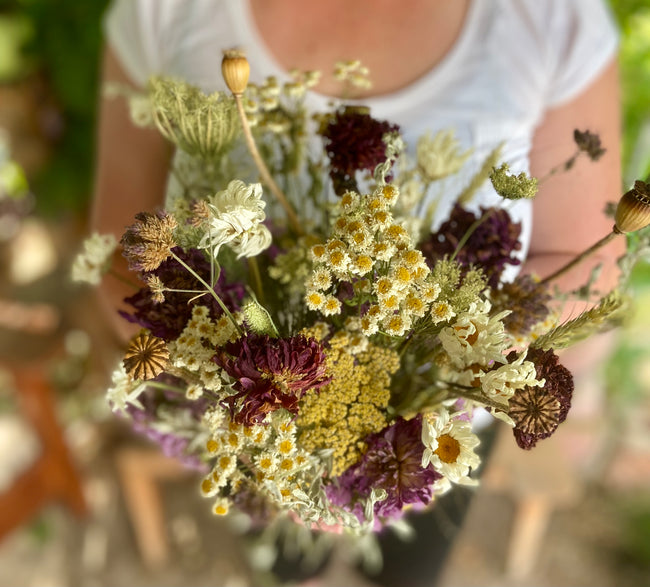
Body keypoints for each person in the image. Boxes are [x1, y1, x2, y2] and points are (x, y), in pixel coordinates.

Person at [91, 1, 625, 585]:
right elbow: (120, 251)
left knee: (411, 570)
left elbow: (586, 259)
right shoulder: (166, 12)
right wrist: (249, 428)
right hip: (246, 440)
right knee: (288, 566)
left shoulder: (550, 19)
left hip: (437, 437)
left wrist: (448, 379)